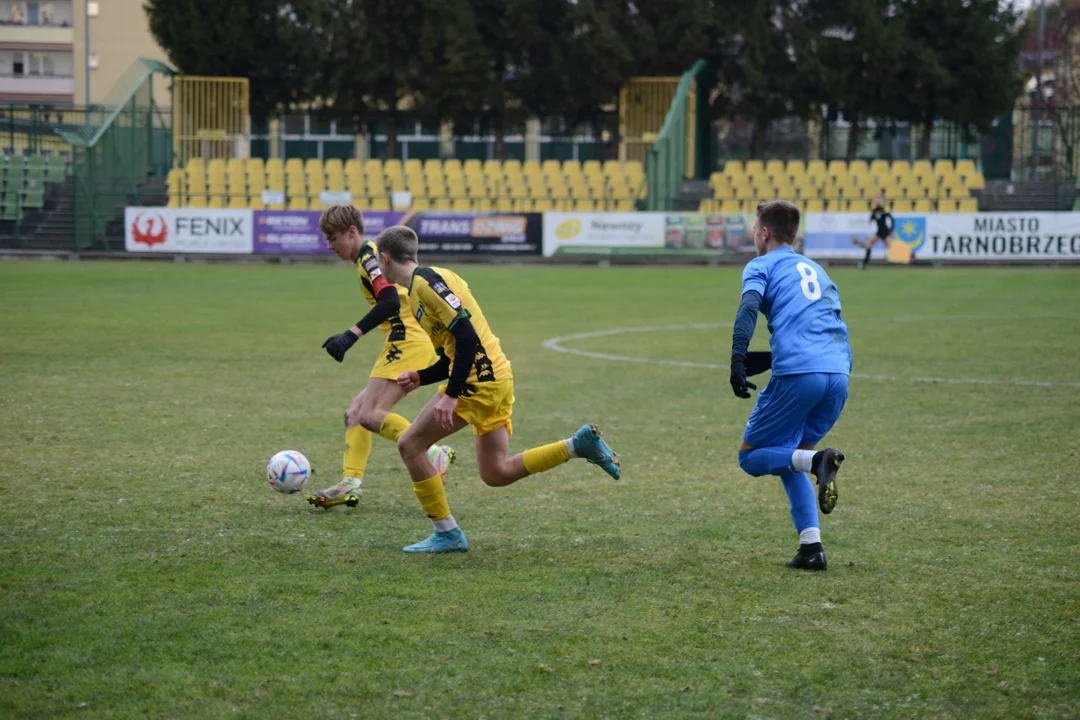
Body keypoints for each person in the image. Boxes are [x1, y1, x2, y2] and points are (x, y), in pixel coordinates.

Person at [374, 225, 621, 553]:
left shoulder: (427, 283)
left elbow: (466, 337)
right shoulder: (425, 286)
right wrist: (423, 376)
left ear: (384, 258)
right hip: (495, 377)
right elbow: (455, 347)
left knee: (410, 445)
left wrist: (450, 396)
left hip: (480, 382)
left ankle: (447, 533)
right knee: (496, 473)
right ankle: (577, 445)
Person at [729, 200, 851, 571]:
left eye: (754, 229)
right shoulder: (815, 268)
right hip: (838, 373)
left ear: (764, 233)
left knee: (751, 457)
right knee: (791, 455)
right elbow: (818, 322)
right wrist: (767, 359)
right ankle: (811, 548)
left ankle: (818, 461)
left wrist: (737, 358)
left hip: (801, 373)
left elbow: (749, 308)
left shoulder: (760, 265)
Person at [306, 205, 453, 509]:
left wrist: (351, 335)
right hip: (406, 340)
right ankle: (350, 482)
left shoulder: (370, 258)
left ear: (352, 232)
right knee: (355, 413)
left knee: (370, 415)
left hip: (407, 340)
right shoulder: (368, 257)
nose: (329, 245)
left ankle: (432, 452)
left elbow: (388, 302)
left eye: (333, 238)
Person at [855, 196, 894, 269]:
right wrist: (870, 220)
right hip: (879, 232)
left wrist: (891, 230)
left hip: (885, 232)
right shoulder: (875, 210)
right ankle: (864, 264)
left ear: (882, 201)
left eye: (879, 200)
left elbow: (891, 218)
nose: (878, 201)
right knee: (868, 244)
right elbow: (872, 218)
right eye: (877, 200)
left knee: (892, 247)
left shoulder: (883, 210)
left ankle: (910, 255)